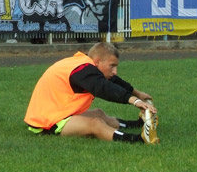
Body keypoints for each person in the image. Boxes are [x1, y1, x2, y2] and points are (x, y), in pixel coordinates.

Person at [24, 42, 159, 144]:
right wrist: (135, 101)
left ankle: (137, 124)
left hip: (56, 112)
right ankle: (139, 140)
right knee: (95, 123)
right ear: (98, 62)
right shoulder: (82, 70)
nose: (115, 71)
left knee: (99, 113)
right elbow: (104, 88)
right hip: (46, 121)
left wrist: (137, 94)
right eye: (112, 66)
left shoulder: (83, 64)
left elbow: (113, 81)